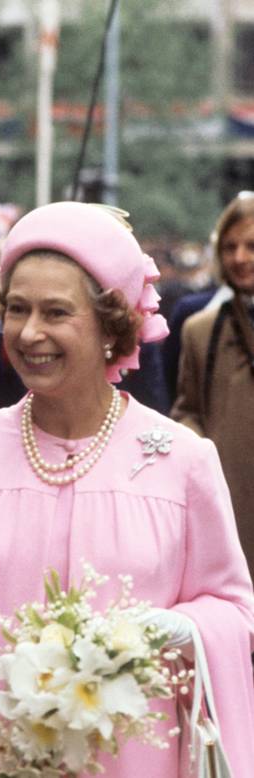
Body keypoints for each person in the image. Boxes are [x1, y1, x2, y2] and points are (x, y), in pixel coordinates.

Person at [0, 201, 254, 777]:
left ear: (111, 326)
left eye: (56, 312)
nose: (30, 333)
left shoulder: (184, 462)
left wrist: (179, 628)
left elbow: (236, 611)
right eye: (17, 309)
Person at [172, 191, 254, 578]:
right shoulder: (200, 330)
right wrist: (199, 449)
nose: (239, 257)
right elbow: (185, 409)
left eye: (251, 246)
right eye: (230, 247)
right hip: (228, 500)